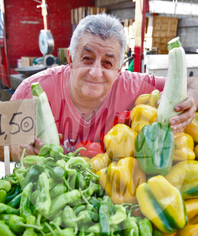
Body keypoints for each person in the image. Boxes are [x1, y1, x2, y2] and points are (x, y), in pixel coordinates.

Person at [0, 13, 197, 161]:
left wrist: (192, 95)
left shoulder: (133, 85)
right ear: (70, 58)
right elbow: (2, 144)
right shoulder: (32, 90)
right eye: (87, 59)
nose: (96, 72)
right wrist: (16, 150)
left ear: (120, 69)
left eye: (107, 63)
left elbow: (193, 81)